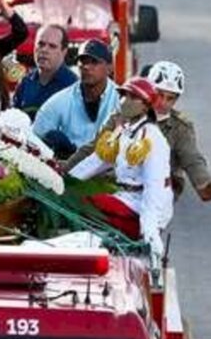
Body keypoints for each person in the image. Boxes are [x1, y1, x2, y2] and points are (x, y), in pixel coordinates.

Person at [65, 61, 211, 203]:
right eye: (160, 95)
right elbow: (94, 148)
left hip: (156, 189)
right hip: (118, 182)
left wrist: (204, 184)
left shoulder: (180, 128)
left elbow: (192, 159)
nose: (163, 103)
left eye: (170, 98)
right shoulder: (122, 117)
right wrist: (64, 171)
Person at [68, 77, 173, 264]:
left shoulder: (152, 139)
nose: (125, 101)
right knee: (73, 200)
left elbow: (154, 187)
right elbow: (96, 162)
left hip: (141, 207)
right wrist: (64, 181)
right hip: (125, 197)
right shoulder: (123, 131)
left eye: (133, 97)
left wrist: (149, 232)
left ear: (145, 107)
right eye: (124, 95)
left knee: (84, 206)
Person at [33, 38, 119, 158]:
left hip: (111, 170)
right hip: (69, 170)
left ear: (110, 68)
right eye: (83, 61)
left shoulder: (122, 100)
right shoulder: (58, 102)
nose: (86, 67)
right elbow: (34, 139)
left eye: (94, 62)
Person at [12, 24, 77, 117]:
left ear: (64, 51)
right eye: (41, 44)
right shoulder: (25, 83)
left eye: (52, 46)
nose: (44, 50)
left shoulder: (73, 87)